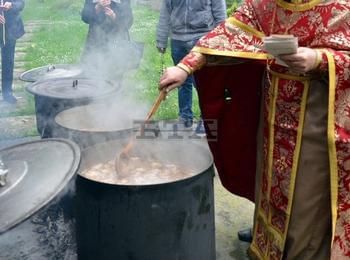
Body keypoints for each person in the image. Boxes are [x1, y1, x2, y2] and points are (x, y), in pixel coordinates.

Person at [159, 0, 350, 259]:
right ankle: (267, 244)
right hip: (271, 116)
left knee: (305, 200)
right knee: (268, 184)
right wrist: (185, 67)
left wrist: (318, 59)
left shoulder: (340, 7)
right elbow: (225, 35)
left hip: (315, 123)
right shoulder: (264, 5)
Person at [156, 0, 226, 135]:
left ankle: (205, 121)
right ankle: (185, 118)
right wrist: (161, 39)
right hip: (177, 41)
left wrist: (219, 42)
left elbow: (221, 16)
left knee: (203, 84)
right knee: (182, 82)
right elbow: (165, 14)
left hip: (202, 40)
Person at [81, 0, 133, 82]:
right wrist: (97, 7)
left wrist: (114, 17)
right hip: (94, 43)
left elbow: (129, 21)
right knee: (92, 79)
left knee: (114, 80)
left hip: (116, 45)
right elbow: (84, 17)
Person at [0, 0, 24, 104]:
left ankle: (7, 92)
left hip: (9, 29)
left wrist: (12, 4)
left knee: (8, 61)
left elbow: (21, 3)